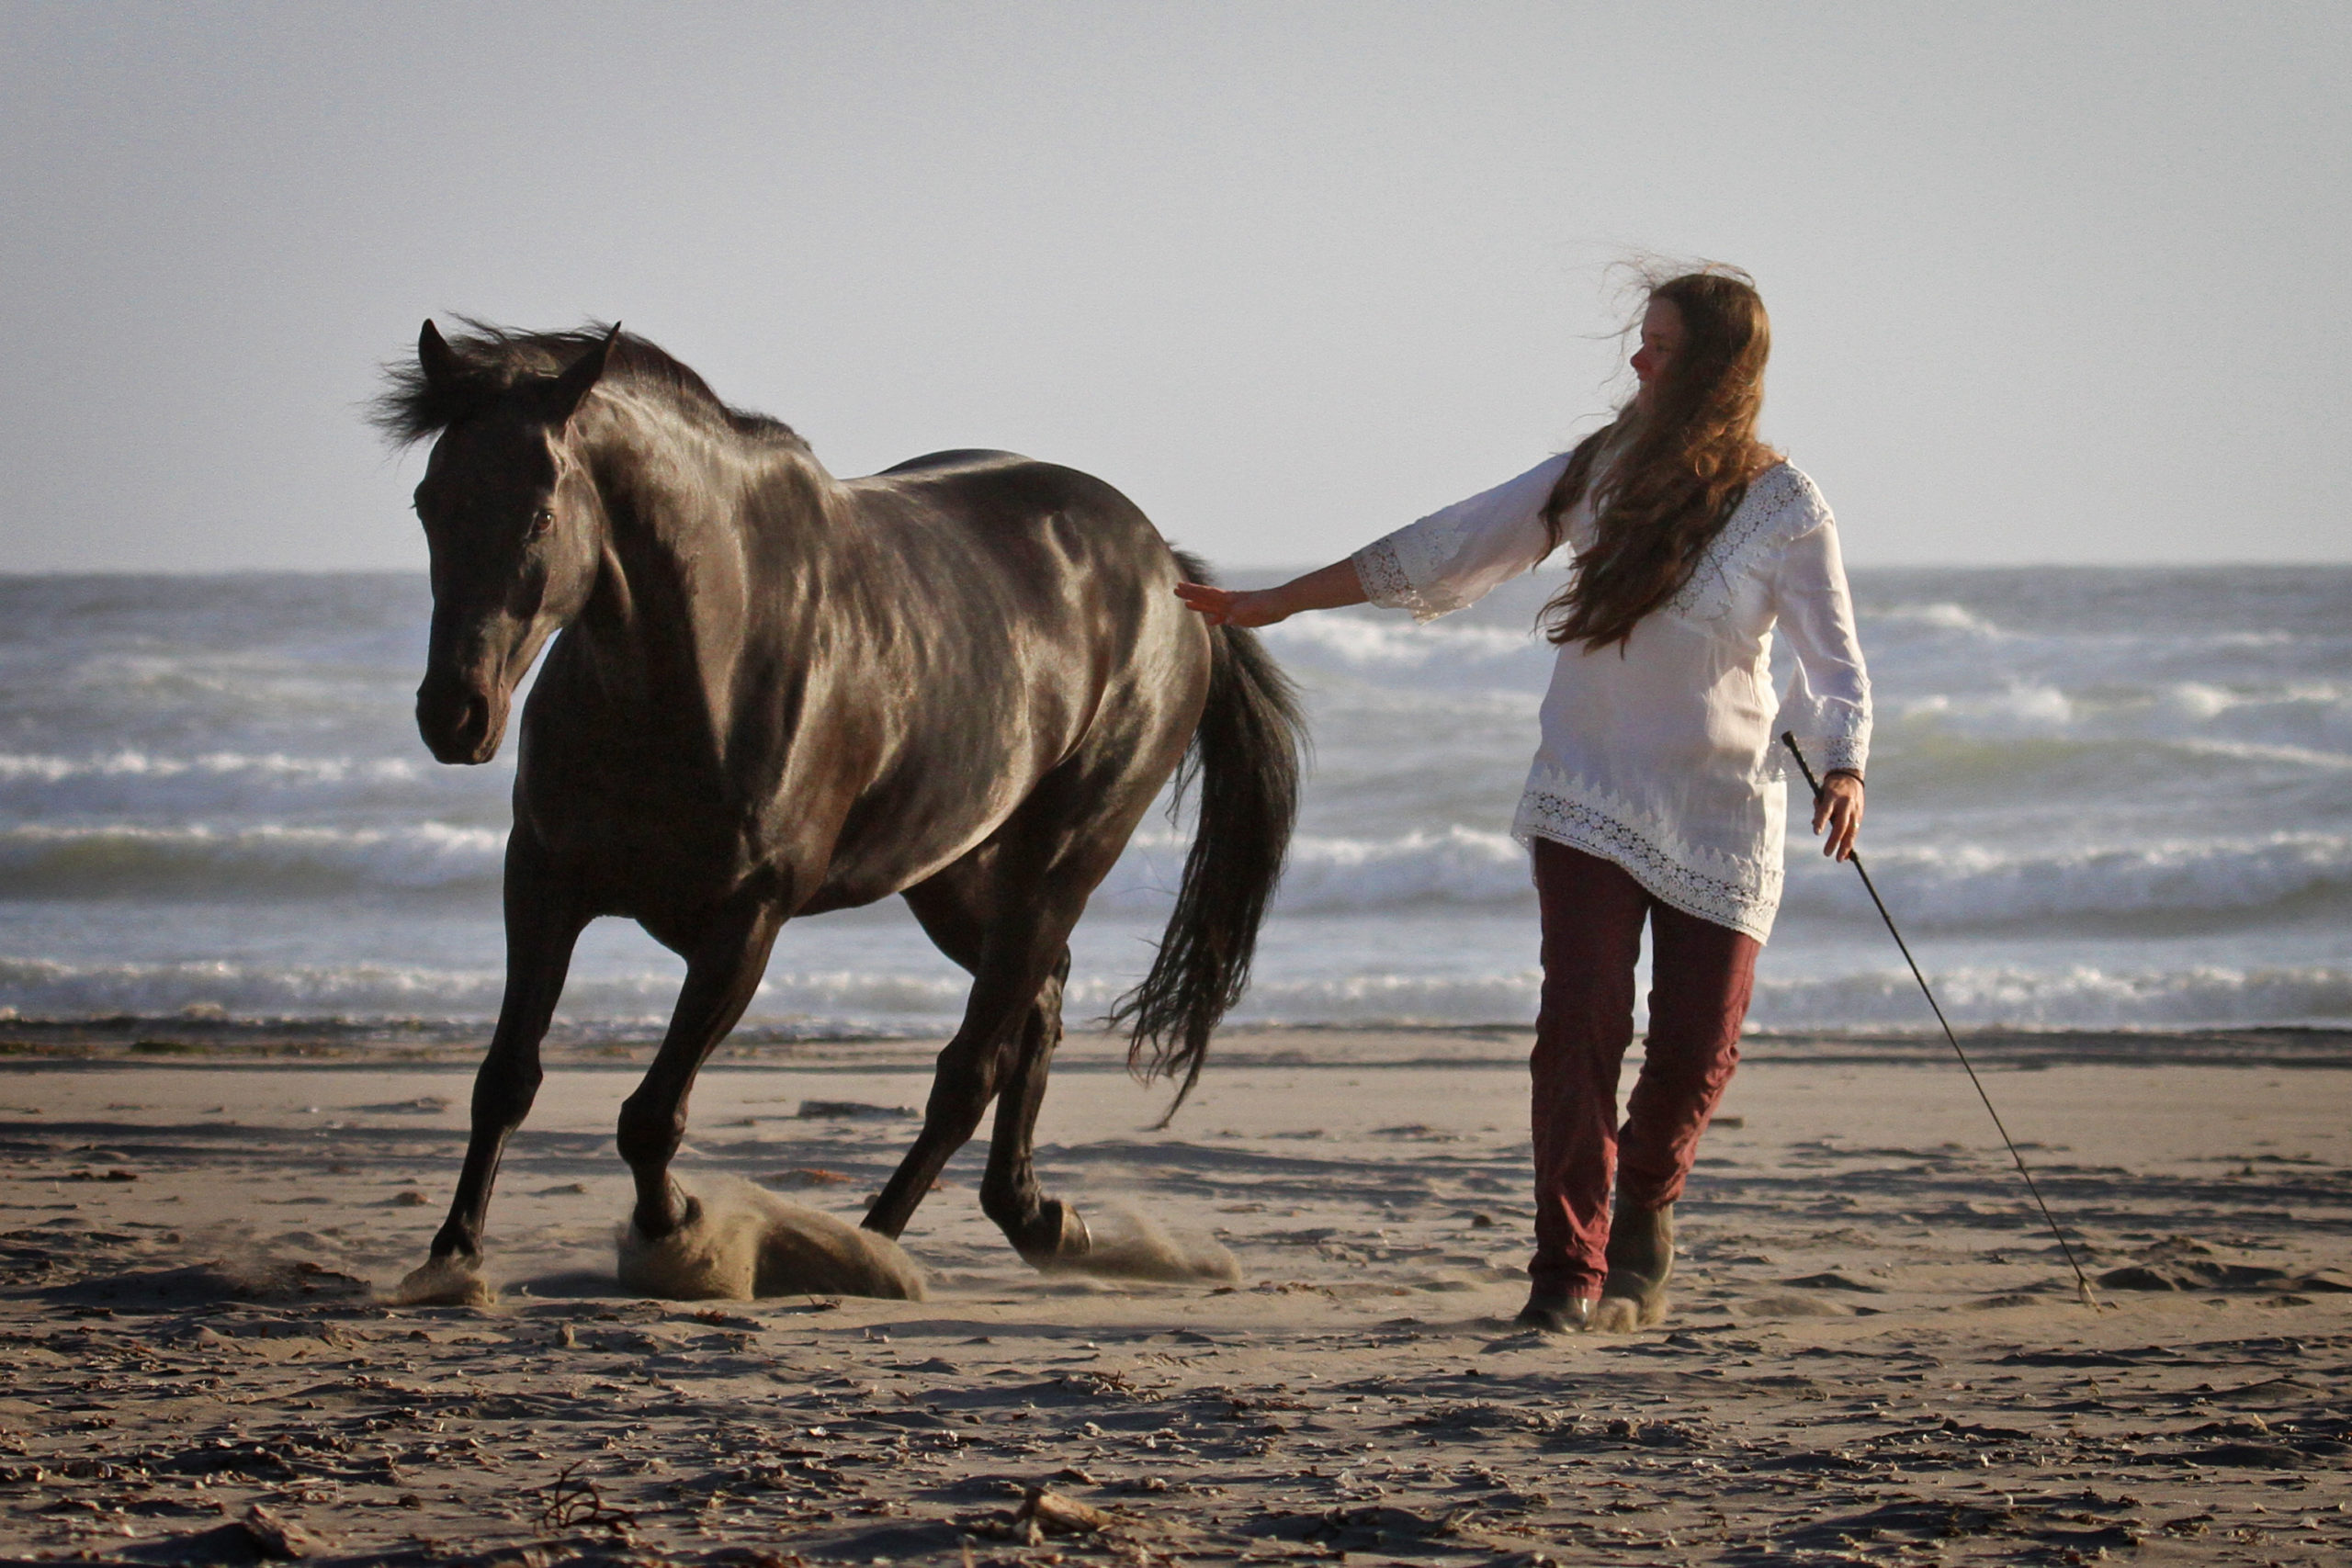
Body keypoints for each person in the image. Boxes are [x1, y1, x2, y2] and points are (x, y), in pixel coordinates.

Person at [1176, 268, 1870, 1333]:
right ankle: (1565, 1274)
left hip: (1722, 808)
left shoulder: (1785, 507)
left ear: (1717, 368)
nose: (1638, 360)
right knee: (1578, 1029)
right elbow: (1453, 540)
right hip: (1588, 787)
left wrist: (1843, 764)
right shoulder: (1598, 471)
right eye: (1642, 339)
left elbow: (1833, 662)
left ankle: (1646, 1205)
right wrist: (1278, 601)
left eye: (1661, 346)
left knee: (1695, 1053)